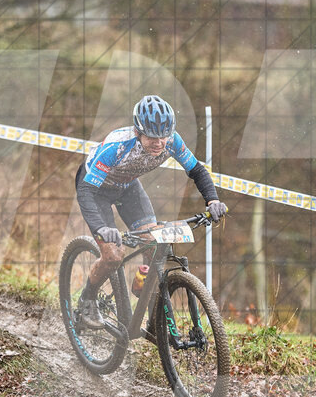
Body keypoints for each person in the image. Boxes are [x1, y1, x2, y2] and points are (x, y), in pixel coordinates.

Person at [74, 94, 227, 328]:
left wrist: (212, 200)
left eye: (163, 136)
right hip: (96, 191)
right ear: (138, 131)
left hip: (127, 187)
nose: (159, 143)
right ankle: (87, 299)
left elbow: (197, 170)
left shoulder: (172, 141)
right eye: (152, 137)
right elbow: (85, 191)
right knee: (113, 255)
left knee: (154, 242)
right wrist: (101, 228)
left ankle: (143, 290)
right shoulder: (117, 146)